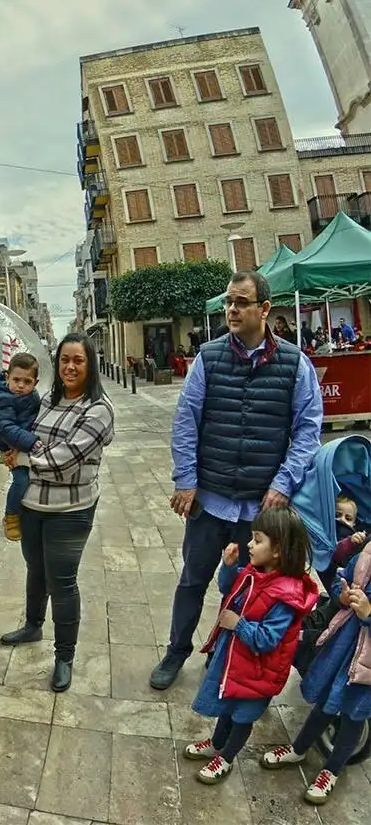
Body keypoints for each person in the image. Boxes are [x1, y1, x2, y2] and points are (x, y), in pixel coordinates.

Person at [150, 270, 324, 691]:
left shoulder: (295, 363)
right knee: (193, 579)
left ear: (264, 309)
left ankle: (225, 656)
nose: (231, 309)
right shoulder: (208, 358)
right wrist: (186, 480)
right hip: (209, 501)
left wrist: (284, 483)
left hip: (261, 510)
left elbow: (308, 429)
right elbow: (186, 422)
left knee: (247, 591)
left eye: (241, 302)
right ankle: (176, 651)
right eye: (229, 301)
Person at [0, 332, 115, 693]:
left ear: (90, 364)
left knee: (62, 582)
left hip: (70, 510)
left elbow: (64, 460)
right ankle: (33, 625)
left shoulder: (98, 410)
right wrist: (18, 449)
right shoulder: (47, 399)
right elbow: (25, 433)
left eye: (78, 360)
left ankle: (64, 656)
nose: (70, 366)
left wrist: (20, 458)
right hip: (32, 505)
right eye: (64, 359)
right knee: (36, 569)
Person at [183, 508, 318, 784]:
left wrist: (238, 625)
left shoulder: (286, 595)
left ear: (278, 550)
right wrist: (230, 567)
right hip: (238, 661)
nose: (249, 545)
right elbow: (227, 588)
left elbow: (269, 638)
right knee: (228, 707)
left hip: (258, 670)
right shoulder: (254, 572)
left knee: (242, 718)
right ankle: (216, 743)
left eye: (257, 540)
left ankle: (227, 757)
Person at [259, 539, 371, 805]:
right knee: (324, 702)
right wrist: (342, 596)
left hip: (367, 660)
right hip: (344, 643)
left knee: (354, 715)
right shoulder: (365, 555)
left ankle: (331, 771)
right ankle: (298, 748)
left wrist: (369, 613)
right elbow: (340, 578)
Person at [0, 353, 42, 542]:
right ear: (7, 377)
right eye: (16, 380)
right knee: (21, 480)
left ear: (35, 383)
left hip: (23, 443)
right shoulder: (1, 399)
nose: (21, 385)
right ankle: (11, 516)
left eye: (27, 381)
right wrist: (31, 442)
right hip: (11, 446)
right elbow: (6, 428)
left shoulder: (31, 396)